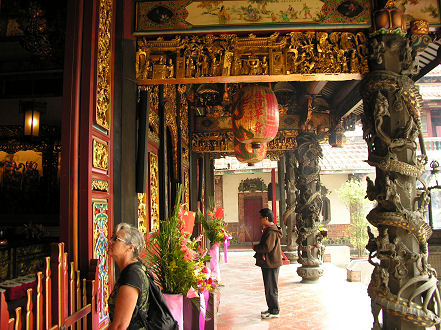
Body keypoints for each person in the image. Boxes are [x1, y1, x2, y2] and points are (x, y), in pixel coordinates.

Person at [108, 223, 149, 330]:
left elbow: (120, 326)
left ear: (130, 247)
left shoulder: (132, 276)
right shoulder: (133, 269)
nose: (110, 242)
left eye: (116, 239)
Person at [252, 208, 283, 319]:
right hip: (269, 262)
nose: (259, 220)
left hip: (271, 263)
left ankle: (275, 310)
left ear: (266, 218)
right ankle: (271, 308)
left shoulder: (271, 231)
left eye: (260, 218)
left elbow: (267, 247)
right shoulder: (269, 230)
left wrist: (256, 247)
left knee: (271, 287)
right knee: (269, 286)